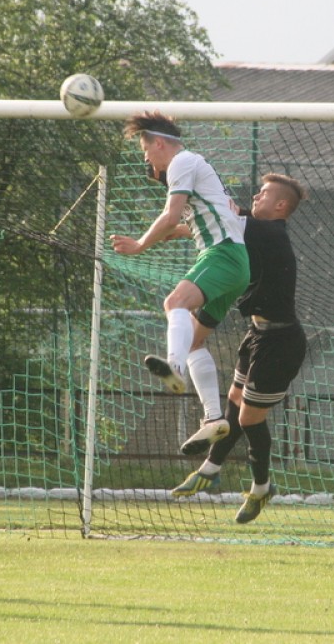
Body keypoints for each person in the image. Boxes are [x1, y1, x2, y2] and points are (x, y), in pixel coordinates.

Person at [170, 173, 308, 523]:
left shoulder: (270, 232)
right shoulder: (254, 230)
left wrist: (183, 198)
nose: (257, 197)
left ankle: (262, 488)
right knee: (234, 401)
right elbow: (221, 225)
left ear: (280, 205)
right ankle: (211, 469)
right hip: (257, 334)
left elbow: (222, 217)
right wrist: (179, 229)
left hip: (282, 342)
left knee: (248, 418)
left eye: (264, 193)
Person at [111, 111, 250, 454]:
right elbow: (213, 222)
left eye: (146, 152)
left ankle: (173, 368)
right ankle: (214, 418)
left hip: (222, 255)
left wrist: (140, 245)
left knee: (174, 303)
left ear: (159, 143)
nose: (147, 160)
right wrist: (178, 232)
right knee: (193, 340)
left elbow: (170, 215)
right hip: (234, 262)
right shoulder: (200, 174)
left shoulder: (182, 161)